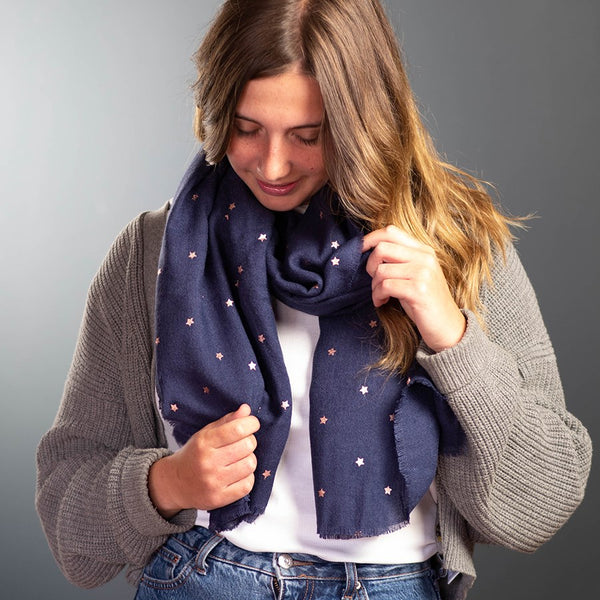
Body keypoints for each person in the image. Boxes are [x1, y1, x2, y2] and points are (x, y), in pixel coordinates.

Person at [36, 1, 592, 599]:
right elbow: (68, 518)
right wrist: (167, 484)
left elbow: (542, 502)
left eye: (308, 135)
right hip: (203, 578)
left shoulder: (455, 246)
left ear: (362, 122)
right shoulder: (154, 252)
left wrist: (453, 337)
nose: (273, 164)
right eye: (246, 129)